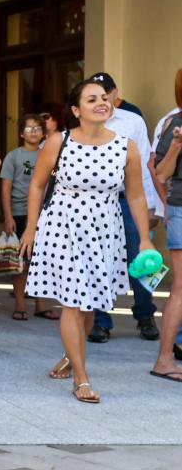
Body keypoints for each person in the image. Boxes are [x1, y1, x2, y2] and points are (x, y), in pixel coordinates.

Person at [22, 78, 154, 404]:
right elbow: (37, 185)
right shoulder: (58, 142)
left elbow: (135, 196)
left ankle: (71, 356)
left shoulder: (126, 147)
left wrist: (146, 240)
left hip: (105, 231)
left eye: (105, 98)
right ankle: (81, 378)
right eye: (92, 99)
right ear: (76, 110)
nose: (101, 103)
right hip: (62, 227)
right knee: (71, 301)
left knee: (92, 301)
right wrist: (31, 228)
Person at [89, 72, 163, 343]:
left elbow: (145, 166)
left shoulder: (132, 121)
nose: (103, 98)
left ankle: (145, 315)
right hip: (96, 202)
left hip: (129, 199)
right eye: (96, 93)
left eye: (107, 92)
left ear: (115, 91)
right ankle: (100, 321)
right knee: (99, 260)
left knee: (142, 258)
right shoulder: (84, 121)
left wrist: (151, 206)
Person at [1, 114, 58, 321]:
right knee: (19, 263)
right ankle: (20, 303)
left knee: (42, 261)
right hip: (19, 213)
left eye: (37, 129)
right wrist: (8, 216)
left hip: (45, 214)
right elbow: (5, 187)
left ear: (43, 133)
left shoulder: (49, 154)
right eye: (29, 128)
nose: (33, 132)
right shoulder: (13, 156)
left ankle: (42, 304)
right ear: (21, 133)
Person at [151, 108, 182, 381]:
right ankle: (164, 360)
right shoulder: (176, 122)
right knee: (181, 287)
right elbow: (160, 174)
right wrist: (176, 144)